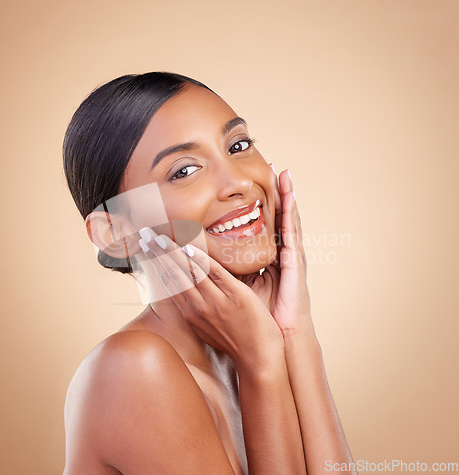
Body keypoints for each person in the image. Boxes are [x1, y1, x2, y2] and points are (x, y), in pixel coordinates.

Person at [62, 71, 356, 474]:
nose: (238, 182)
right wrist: (262, 366)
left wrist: (296, 333)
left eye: (238, 145)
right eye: (184, 171)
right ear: (116, 233)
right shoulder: (132, 368)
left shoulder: (246, 345)